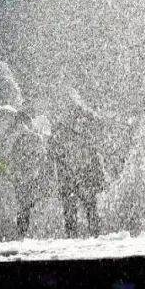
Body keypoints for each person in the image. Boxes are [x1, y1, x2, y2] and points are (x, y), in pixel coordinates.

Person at [49, 91, 108, 237]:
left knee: (79, 209)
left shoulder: (65, 126)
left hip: (76, 173)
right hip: (76, 173)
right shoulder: (77, 123)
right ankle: (90, 236)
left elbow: (53, 151)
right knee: (86, 208)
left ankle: (79, 237)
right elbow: (53, 151)